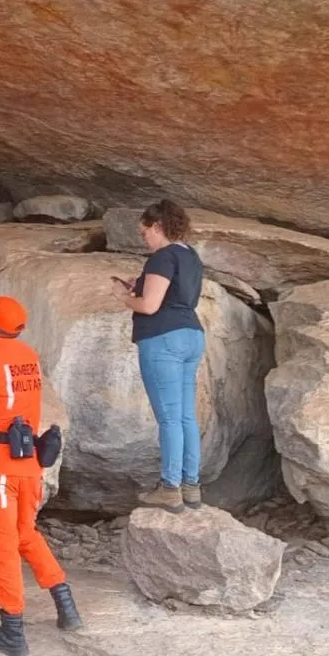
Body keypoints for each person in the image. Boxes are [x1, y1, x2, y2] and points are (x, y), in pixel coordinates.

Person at [0, 294, 83, 656]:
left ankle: (12, 630)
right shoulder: (28, 356)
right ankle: (66, 606)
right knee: (26, 534)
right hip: (29, 463)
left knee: (2, 546)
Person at [111, 199, 205, 513]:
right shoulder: (191, 256)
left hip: (163, 339)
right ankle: (191, 485)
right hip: (191, 334)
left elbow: (149, 306)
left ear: (158, 226)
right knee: (186, 416)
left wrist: (124, 297)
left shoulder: (162, 257)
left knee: (168, 418)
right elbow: (174, 295)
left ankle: (169, 488)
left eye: (145, 232)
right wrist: (140, 286)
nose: (144, 239)